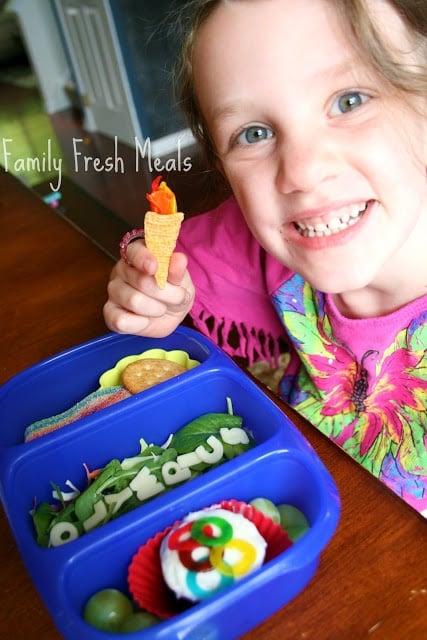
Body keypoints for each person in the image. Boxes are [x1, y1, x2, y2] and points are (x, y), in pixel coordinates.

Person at [104, 0, 427, 516]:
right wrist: (150, 282)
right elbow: (166, 256)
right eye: (254, 134)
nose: (300, 173)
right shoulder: (263, 237)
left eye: (350, 100)